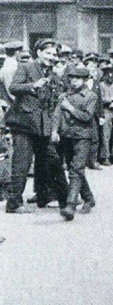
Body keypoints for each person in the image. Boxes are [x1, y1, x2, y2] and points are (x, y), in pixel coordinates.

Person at [5, 38, 68, 214]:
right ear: (39, 53)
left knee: (50, 160)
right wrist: (33, 86)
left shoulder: (53, 75)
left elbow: (54, 103)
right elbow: (13, 87)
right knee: (21, 164)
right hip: (23, 124)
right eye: (48, 53)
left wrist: (53, 128)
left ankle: (50, 197)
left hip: (42, 125)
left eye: (54, 54)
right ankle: (14, 203)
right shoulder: (26, 67)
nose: (51, 57)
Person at [51, 68, 98, 221]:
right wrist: (54, 131)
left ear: (85, 80)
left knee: (76, 169)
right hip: (67, 136)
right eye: (72, 79)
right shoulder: (64, 96)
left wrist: (70, 108)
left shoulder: (91, 96)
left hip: (83, 137)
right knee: (75, 168)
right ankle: (89, 198)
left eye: (78, 79)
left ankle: (70, 205)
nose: (74, 81)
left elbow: (87, 117)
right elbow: (57, 114)